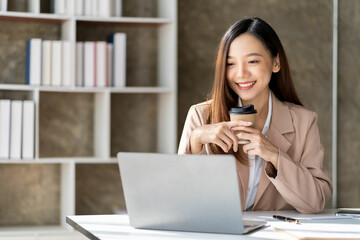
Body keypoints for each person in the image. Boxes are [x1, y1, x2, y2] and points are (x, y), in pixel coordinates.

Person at [178, 17, 332, 214]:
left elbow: (315, 201)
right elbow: (182, 202)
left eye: (252, 61)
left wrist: (275, 156)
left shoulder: (303, 122)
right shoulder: (200, 116)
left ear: (276, 63)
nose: (241, 73)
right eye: (230, 64)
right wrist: (196, 140)